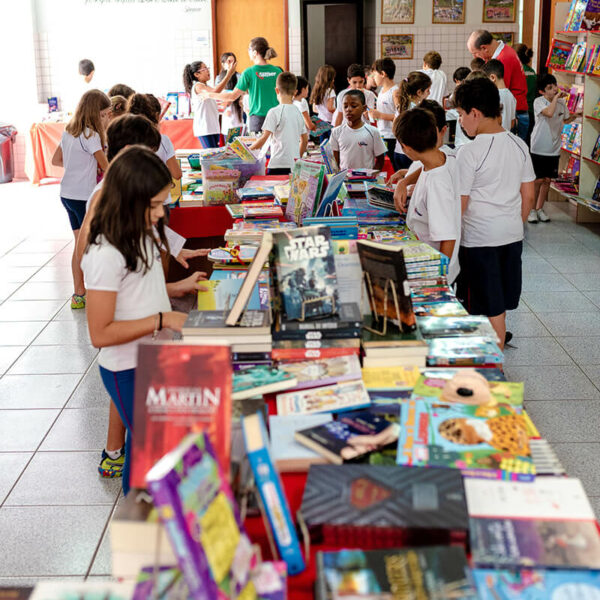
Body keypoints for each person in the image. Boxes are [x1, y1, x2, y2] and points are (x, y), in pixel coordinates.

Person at [82, 146, 208, 493]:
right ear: (128, 200)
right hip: (126, 369)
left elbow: (136, 289)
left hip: (152, 357)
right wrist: (162, 319)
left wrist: (177, 287)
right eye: (154, 205)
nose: (160, 213)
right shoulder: (105, 252)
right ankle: (140, 519)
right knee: (150, 456)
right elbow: (99, 332)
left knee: (148, 452)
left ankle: (141, 516)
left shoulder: (141, 232)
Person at [454, 77, 535, 348]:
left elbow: (460, 204)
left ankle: (494, 362)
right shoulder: (519, 145)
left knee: (488, 308)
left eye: (461, 115)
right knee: (498, 301)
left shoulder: (470, 152)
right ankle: (493, 351)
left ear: (475, 113)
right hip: (511, 236)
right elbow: (529, 196)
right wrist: (513, 223)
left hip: (479, 241)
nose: (461, 122)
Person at [51, 89, 110, 309]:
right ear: (94, 113)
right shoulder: (91, 135)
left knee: (79, 244)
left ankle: (78, 294)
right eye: (103, 115)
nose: (105, 119)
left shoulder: (69, 131)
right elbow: (107, 167)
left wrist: (78, 166)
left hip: (67, 194)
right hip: (84, 197)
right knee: (93, 245)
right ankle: (99, 292)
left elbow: (56, 160)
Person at [394, 107, 461, 283]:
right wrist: (403, 182)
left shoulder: (437, 184)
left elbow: (448, 237)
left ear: (406, 148)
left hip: (433, 268)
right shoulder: (441, 156)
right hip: (424, 255)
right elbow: (425, 168)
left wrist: (439, 281)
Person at [529, 73, 579, 223]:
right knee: (537, 180)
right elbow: (549, 113)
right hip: (539, 147)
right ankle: (532, 210)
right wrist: (557, 98)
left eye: (555, 86)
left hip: (554, 147)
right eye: (550, 88)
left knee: (547, 180)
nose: (555, 89)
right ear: (542, 92)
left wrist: (576, 115)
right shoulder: (538, 102)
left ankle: (540, 209)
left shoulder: (561, 103)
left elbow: (565, 120)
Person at [204, 37, 282, 132]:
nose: (248, 52)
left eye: (249, 49)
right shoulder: (277, 71)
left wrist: (209, 95)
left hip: (258, 120)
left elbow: (232, 96)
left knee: (258, 142)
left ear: (255, 52)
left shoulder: (249, 72)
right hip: (276, 117)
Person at [467, 29, 529, 141]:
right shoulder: (505, 51)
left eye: (475, 53)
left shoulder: (503, 58)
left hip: (515, 112)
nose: (475, 57)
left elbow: (495, 92)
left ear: (484, 48)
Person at [250, 72, 308, 175]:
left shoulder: (274, 112)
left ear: (277, 90)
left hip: (277, 165)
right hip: (293, 166)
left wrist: (247, 150)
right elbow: (304, 141)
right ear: (295, 92)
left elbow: (264, 138)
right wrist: (296, 159)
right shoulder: (298, 112)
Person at [183, 59, 237, 148]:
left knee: (215, 154)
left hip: (213, 127)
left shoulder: (206, 86)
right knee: (211, 155)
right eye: (204, 69)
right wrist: (228, 75)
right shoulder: (198, 86)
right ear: (197, 74)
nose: (208, 70)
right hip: (204, 128)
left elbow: (216, 93)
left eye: (207, 68)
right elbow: (215, 91)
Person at [127, 93, 182, 180]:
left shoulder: (125, 138)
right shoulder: (163, 140)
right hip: (157, 186)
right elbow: (177, 174)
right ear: (157, 116)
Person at [330, 90, 386, 171]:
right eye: (345, 106)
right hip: (345, 178)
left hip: (366, 178)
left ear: (364, 108)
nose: (348, 109)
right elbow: (334, 161)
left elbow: (380, 161)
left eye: (354, 106)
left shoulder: (373, 132)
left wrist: (370, 175)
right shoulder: (336, 132)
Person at [393, 71, 431, 169]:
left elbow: (394, 128)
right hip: (410, 154)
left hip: (398, 152)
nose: (429, 93)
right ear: (419, 92)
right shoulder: (416, 111)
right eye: (428, 90)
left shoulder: (402, 106)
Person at [367, 58, 398, 167]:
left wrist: (380, 115)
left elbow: (401, 116)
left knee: (391, 165)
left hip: (392, 136)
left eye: (374, 75)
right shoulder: (381, 91)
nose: (373, 78)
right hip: (382, 134)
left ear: (383, 74)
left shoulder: (395, 92)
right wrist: (373, 114)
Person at [215, 52, 245, 138]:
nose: (232, 64)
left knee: (238, 140)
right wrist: (223, 109)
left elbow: (243, 93)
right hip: (226, 113)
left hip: (238, 111)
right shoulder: (219, 78)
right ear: (223, 64)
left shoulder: (240, 76)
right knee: (228, 141)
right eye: (229, 61)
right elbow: (217, 96)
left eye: (233, 61)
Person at [482, 59, 516, 132]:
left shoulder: (492, 95)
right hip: (506, 134)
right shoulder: (511, 96)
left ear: (492, 78)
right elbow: (512, 123)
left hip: (494, 134)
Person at [514, 43, 537, 143]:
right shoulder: (532, 72)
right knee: (527, 141)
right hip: (531, 111)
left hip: (518, 110)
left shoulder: (516, 71)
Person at [445, 67, 471, 149]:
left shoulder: (456, 93)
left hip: (461, 142)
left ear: (456, 80)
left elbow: (449, 103)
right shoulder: (476, 92)